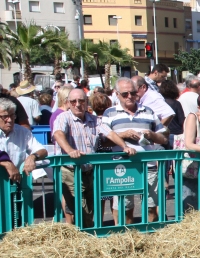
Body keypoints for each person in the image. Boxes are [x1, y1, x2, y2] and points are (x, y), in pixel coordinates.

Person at [53, 88, 134, 227]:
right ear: (68, 103)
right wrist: (70, 150)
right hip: (71, 171)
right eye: (73, 101)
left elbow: (110, 134)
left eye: (81, 101)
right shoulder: (63, 117)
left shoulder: (94, 119)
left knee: (90, 208)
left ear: (86, 102)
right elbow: (58, 134)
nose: (77, 104)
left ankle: (85, 236)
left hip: (90, 171)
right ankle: (85, 238)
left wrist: (124, 146)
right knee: (81, 209)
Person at [104, 78, 170, 224]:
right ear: (117, 94)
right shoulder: (109, 113)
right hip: (122, 168)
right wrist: (123, 135)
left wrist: (152, 135)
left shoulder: (148, 111)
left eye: (133, 93)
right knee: (125, 209)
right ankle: (129, 240)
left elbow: (164, 138)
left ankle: (149, 238)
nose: (130, 97)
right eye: (125, 94)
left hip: (149, 166)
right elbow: (103, 140)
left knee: (151, 208)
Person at [0, 98, 47, 183]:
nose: (10, 120)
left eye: (12, 116)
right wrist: (6, 163)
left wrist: (33, 157)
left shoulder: (23, 132)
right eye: (5, 117)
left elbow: (42, 150)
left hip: (17, 185)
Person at [160, 79, 186, 148]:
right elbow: (182, 121)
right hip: (176, 134)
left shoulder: (159, 104)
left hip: (163, 133)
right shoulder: (176, 103)